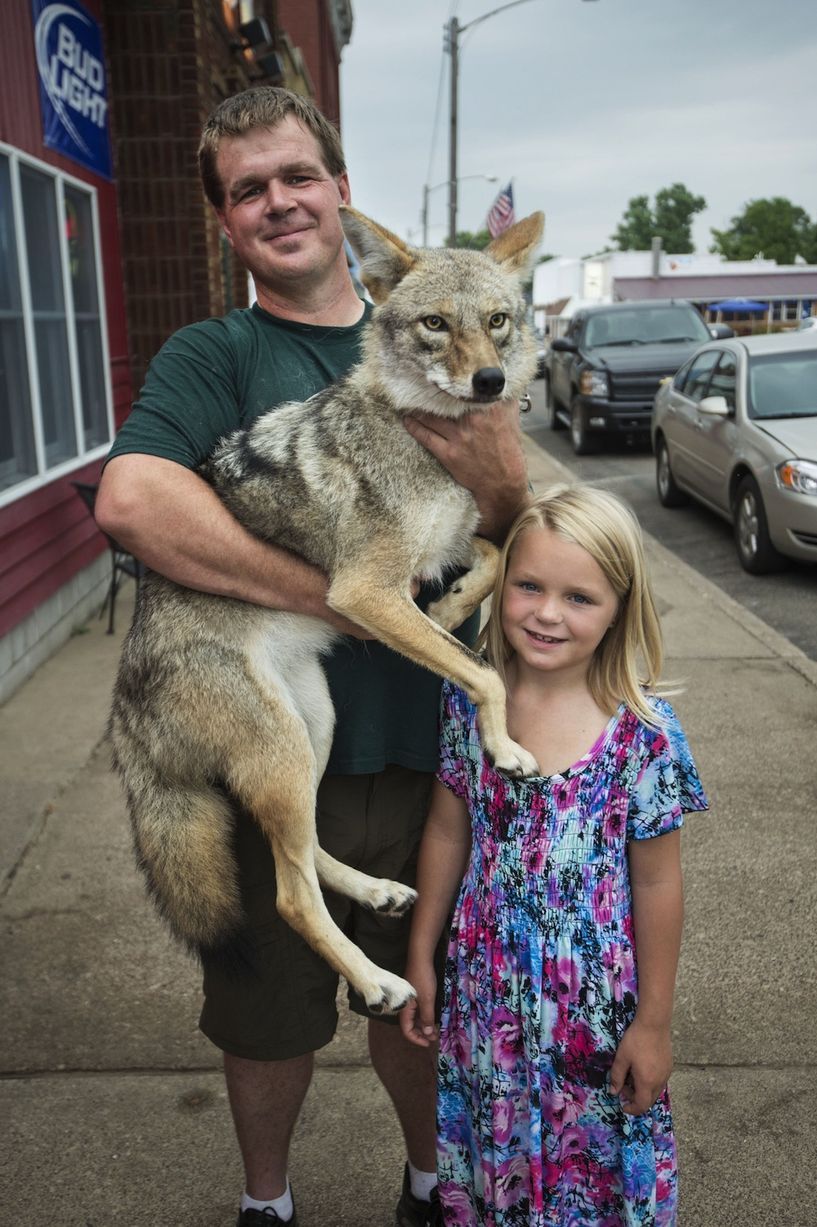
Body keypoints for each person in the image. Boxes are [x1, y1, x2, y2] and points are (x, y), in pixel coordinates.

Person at [95, 86, 530, 1227]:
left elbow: (507, 517)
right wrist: (341, 600)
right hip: (264, 716)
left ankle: (431, 1184)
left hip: (418, 754)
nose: (278, 203)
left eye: (296, 177)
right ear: (224, 221)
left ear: (341, 191)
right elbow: (134, 502)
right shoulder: (215, 353)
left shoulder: (456, 333)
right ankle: (267, 1202)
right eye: (247, 190)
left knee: (420, 998)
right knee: (266, 1015)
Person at [400, 485, 709, 1226]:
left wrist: (654, 1024)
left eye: (578, 597)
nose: (546, 612)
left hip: (594, 1013)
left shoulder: (644, 733)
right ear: (499, 584)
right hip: (485, 998)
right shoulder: (469, 699)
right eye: (528, 585)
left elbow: (658, 881)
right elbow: (448, 830)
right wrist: (420, 954)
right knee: (495, 1163)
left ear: (618, 609)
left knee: (589, 1177)